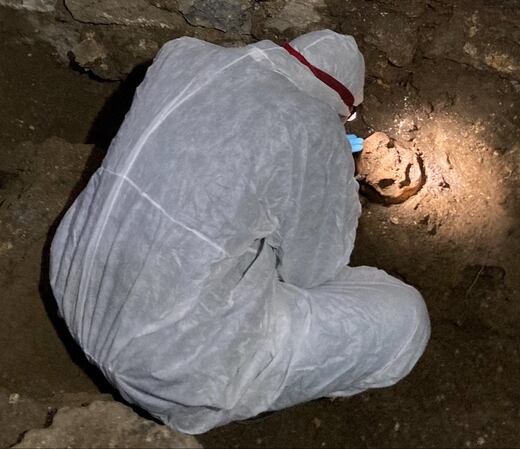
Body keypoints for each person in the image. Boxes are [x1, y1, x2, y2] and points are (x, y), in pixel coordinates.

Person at [49, 30, 430, 434]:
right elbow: (314, 270)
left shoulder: (182, 55)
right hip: (174, 369)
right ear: (340, 105)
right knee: (406, 318)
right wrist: (335, 182)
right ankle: (265, 390)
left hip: (75, 288)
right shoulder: (310, 126)